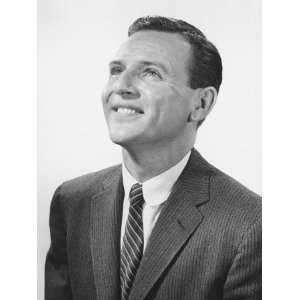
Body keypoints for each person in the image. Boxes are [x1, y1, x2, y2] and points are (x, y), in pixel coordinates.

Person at [45, 16, 261, 300]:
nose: (121, 86)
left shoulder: (250, 223)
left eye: (150, 73)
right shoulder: (72, 202)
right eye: (116, 70)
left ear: (201, 103)